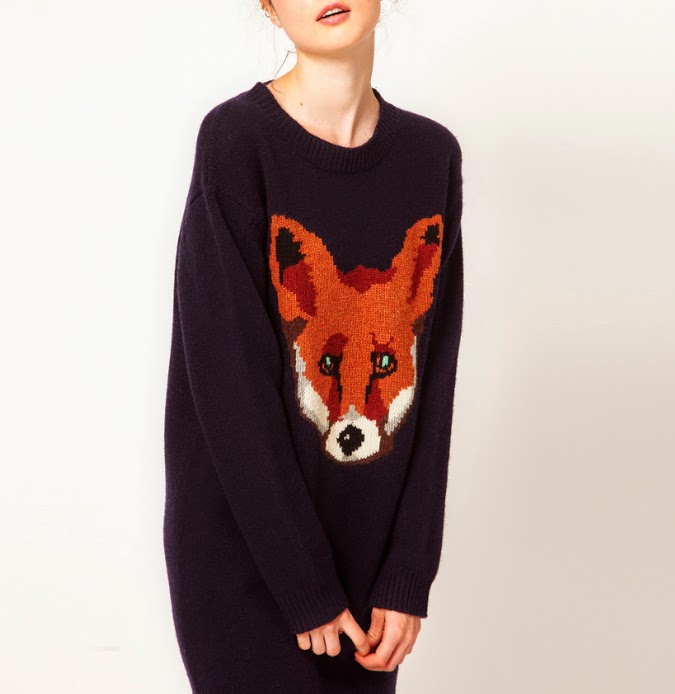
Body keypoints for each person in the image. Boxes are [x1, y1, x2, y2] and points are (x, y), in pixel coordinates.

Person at [163, 1, 465, 691]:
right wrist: (305, 583)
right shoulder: (237, 143)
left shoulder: (430, 157)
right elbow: (228, 386)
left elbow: (434, 377)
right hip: (248, 556)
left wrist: (408, 571)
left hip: (370, 564)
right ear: (268, 7)